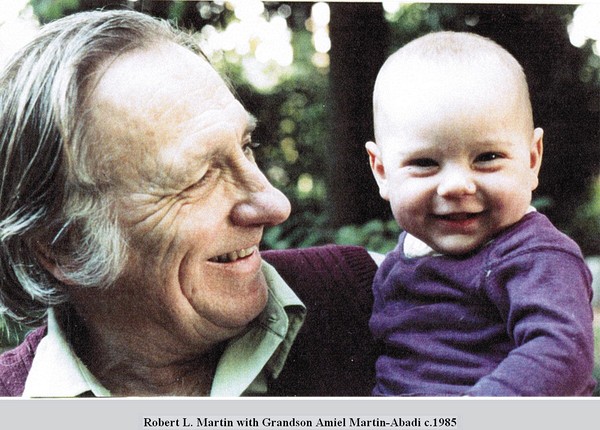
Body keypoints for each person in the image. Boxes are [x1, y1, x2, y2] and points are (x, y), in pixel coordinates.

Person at [0, 9, 381, 397]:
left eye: (246, 147)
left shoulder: (385, 295)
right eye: (199, 177)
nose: (273, 205)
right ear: (66, 245)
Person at [365, 31, 596, 396]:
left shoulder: (536, 255)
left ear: (532, 159)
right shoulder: (400, 261)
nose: (457, 186)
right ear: (382, 171)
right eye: (425, 163)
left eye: (487, 158)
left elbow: (561, 353)